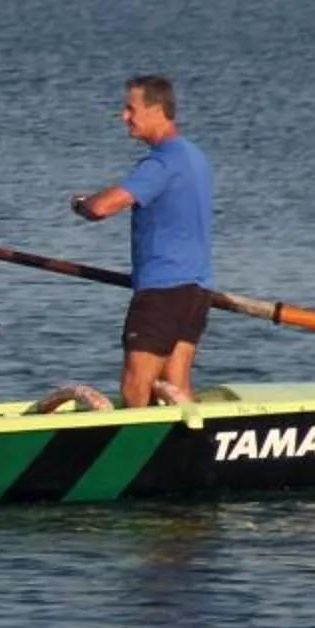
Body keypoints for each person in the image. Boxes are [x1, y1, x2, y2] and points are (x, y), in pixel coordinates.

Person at [71, 74, 214, 407]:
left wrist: (81, 204)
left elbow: (102, 208)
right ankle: (186, 454)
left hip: (163, 291)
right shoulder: (194, 156)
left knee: (136, 384)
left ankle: (139, 454)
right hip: (197, 290)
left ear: (157, 109)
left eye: (130, 108)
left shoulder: (162, 162)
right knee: (176, 385)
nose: (124, 117)